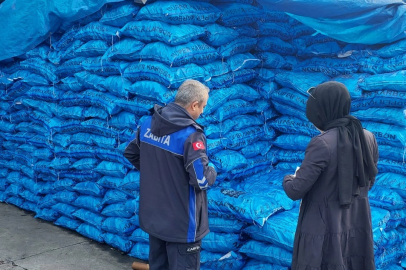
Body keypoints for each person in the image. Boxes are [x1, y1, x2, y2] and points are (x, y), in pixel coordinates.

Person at [283, 81, 379, 270]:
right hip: (356, 222)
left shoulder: (321, 143)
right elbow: (368, 181)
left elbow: (295, 190)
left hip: (323, 227)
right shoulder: (367, 137)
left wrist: (289, 178)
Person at [124, 79, 217, 270]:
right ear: (193, 104)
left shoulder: (148, 123)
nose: (202, 112)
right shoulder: (191, 135)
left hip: (155, 219)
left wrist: (156, 172)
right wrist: (213, 171)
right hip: (182, 225)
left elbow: (131, 152)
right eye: (203, 107)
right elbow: (201, 180)